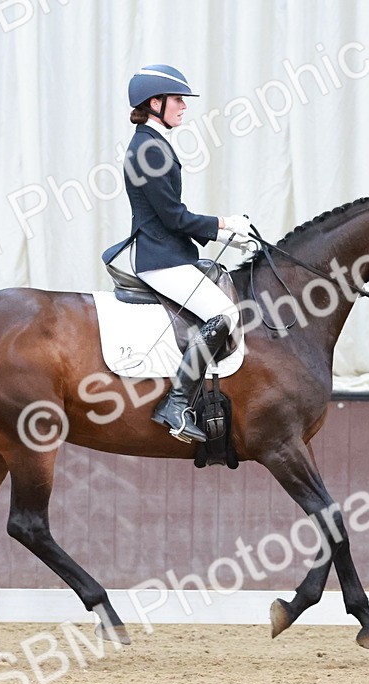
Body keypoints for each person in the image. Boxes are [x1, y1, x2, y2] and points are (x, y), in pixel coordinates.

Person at [101, 64, 255, 443]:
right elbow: (173, 216)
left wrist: (225, 233)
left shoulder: (152, 144)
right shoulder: (149, 149)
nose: (184, 107)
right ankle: (176, 402)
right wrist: (224, 224)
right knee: (224, 314)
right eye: (177, 100)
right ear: (155, 103)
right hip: (160, 257)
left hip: (168, 251)